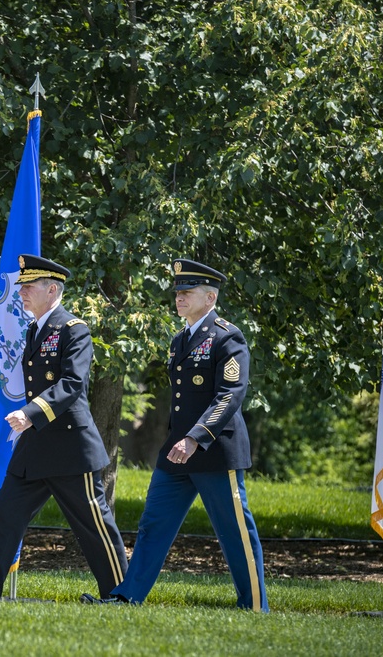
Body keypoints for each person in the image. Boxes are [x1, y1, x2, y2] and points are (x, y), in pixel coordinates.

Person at [81, 258, 268, 611]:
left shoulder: (229, 337)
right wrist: (182, 440)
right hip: (177, 452)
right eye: (178, 292)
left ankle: (255, 605)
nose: (179, 297)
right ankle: (127, 596)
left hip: (213, 450)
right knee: (153, 525)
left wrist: (196, 437)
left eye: (187, 292)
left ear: (210, 298)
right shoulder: (180, 338)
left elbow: (229, 394)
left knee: (235, 531)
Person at [0, 254, 128, 599]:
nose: (21, 292)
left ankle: (121, 595)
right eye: (21, 286)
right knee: (6, 515)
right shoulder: (34, 328)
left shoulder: (74, 329)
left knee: (95, 524)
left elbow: (72, 384)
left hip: (70, 446)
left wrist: (30, 413)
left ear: (52, 290)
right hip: (35, 446)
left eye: (28, 287)